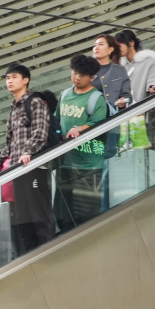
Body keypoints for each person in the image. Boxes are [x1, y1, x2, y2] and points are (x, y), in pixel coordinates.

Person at [0, 64, 55, 257]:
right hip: (17, 170)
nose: (9, 81)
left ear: (25, 80)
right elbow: (11, 143)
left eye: (14, 77)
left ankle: (48, 253)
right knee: (23, 218)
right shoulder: (13, 107)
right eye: (7, 78)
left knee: (39, 214)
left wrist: (27, 151)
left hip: (34, 167)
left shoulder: (36, 102)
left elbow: (40, 133)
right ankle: (29, 257)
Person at [54, 56, 109, 232]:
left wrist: (80, 128)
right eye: (75, 72)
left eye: (82, 75)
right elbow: (56, 121)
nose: (77, 77)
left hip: (89, 165)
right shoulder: (64, 95)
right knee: (63, 213)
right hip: (66, 163)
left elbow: (98, 124)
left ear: (91, 77)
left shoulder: (96, 99)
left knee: (86, 214)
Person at [115, 31, 155, 100]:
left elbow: (153, 81)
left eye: (119, 46)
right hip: (127, 105)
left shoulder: (148, 61)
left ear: (131, 43)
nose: (117, 49)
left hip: (143, 104)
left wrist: (153, 87)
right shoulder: (121, 66)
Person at [91, 34, 132, 110]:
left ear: (110, 49)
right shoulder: (87, 70)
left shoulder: (120, 70)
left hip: (113, 114)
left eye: (101, 44)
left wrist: (122, 101)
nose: (96, 48)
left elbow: (127, 96)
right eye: (94, 45)